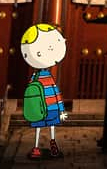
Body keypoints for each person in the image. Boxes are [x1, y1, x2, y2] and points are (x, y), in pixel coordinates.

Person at [20, 23, 68, 160]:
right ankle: (52, 145)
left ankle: (37, 148)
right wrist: (61, 109)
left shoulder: (34, 77)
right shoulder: (49, 78)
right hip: (51, 106)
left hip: (39, 109)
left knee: (39, 128)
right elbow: (55, 93)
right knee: (51, 126)